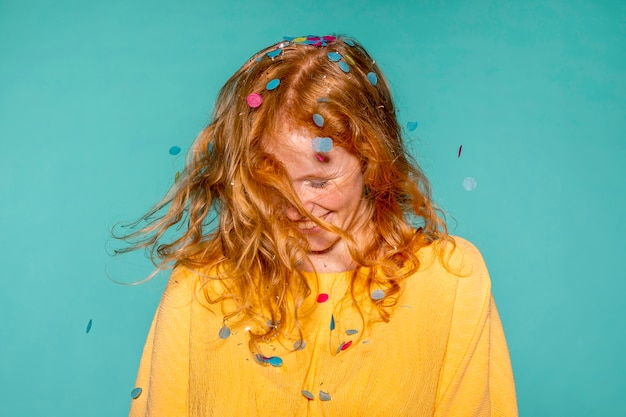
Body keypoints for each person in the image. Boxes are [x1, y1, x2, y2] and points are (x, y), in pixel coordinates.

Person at [118, 34, 517, 416]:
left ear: (371, 158)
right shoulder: (201, 284)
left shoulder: (450, 278)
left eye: (320, 182)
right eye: (272, 183)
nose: (298, 209)